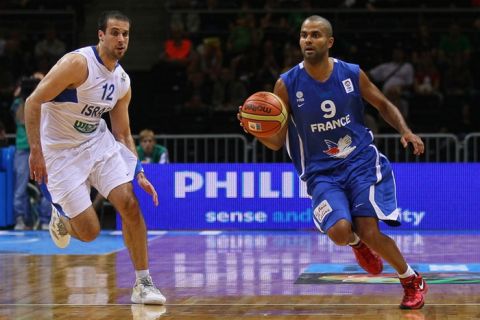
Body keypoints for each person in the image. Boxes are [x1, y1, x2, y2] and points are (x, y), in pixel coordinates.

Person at [238, 15, 427, 309]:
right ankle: (356, 245)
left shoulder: (351, 73)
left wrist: (405, 130)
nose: (308, 40)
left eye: (315, 35)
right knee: (340, 232)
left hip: (361, 163)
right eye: (303, 35)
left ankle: (410, 279)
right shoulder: (286, 85)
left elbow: (383, 104)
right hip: (321, 172)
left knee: (369, 229)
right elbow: (276, 142)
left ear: (329, 41)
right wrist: (255, 129)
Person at [24, 11, 165, 305]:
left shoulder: (122, 81)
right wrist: (36, 151)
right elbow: (33, 101)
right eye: (114, 32)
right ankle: (62, 221)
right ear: (101, 35)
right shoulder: (77, 64)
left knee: (129, 203)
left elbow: (123, 134)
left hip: (96, 143)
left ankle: (143, 283)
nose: (121, 39)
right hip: (59, 152)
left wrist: (137, 171)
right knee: (89, 232)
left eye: (125, 34)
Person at [12, 73, 52, 230]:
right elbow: (21, 119)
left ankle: (45, 219)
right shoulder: (18, 102)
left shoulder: (48, 100)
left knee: (46, 185)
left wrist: (45, 88)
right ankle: (20, 219)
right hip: (23, 148)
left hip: (42, 148)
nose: (34, 85)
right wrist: (23, 97)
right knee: (20, 186)